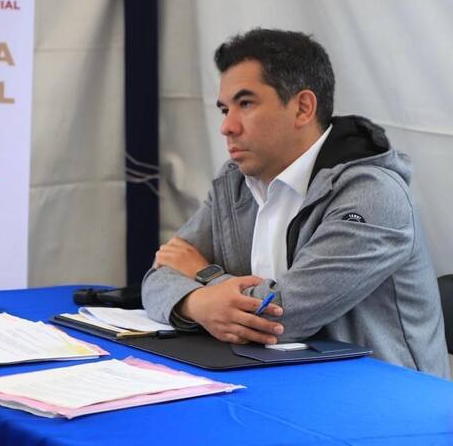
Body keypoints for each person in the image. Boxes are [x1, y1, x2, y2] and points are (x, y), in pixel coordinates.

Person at [142, 28, 449, 378]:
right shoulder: (234, 182)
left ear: (303, 108)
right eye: (225, 109)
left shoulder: (373, 194)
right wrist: (196, 303)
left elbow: (281, 317)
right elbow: (160, 273)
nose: (227, 126)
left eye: (246, 104)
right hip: (272, 380)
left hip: (381, 400)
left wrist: (203, 275)